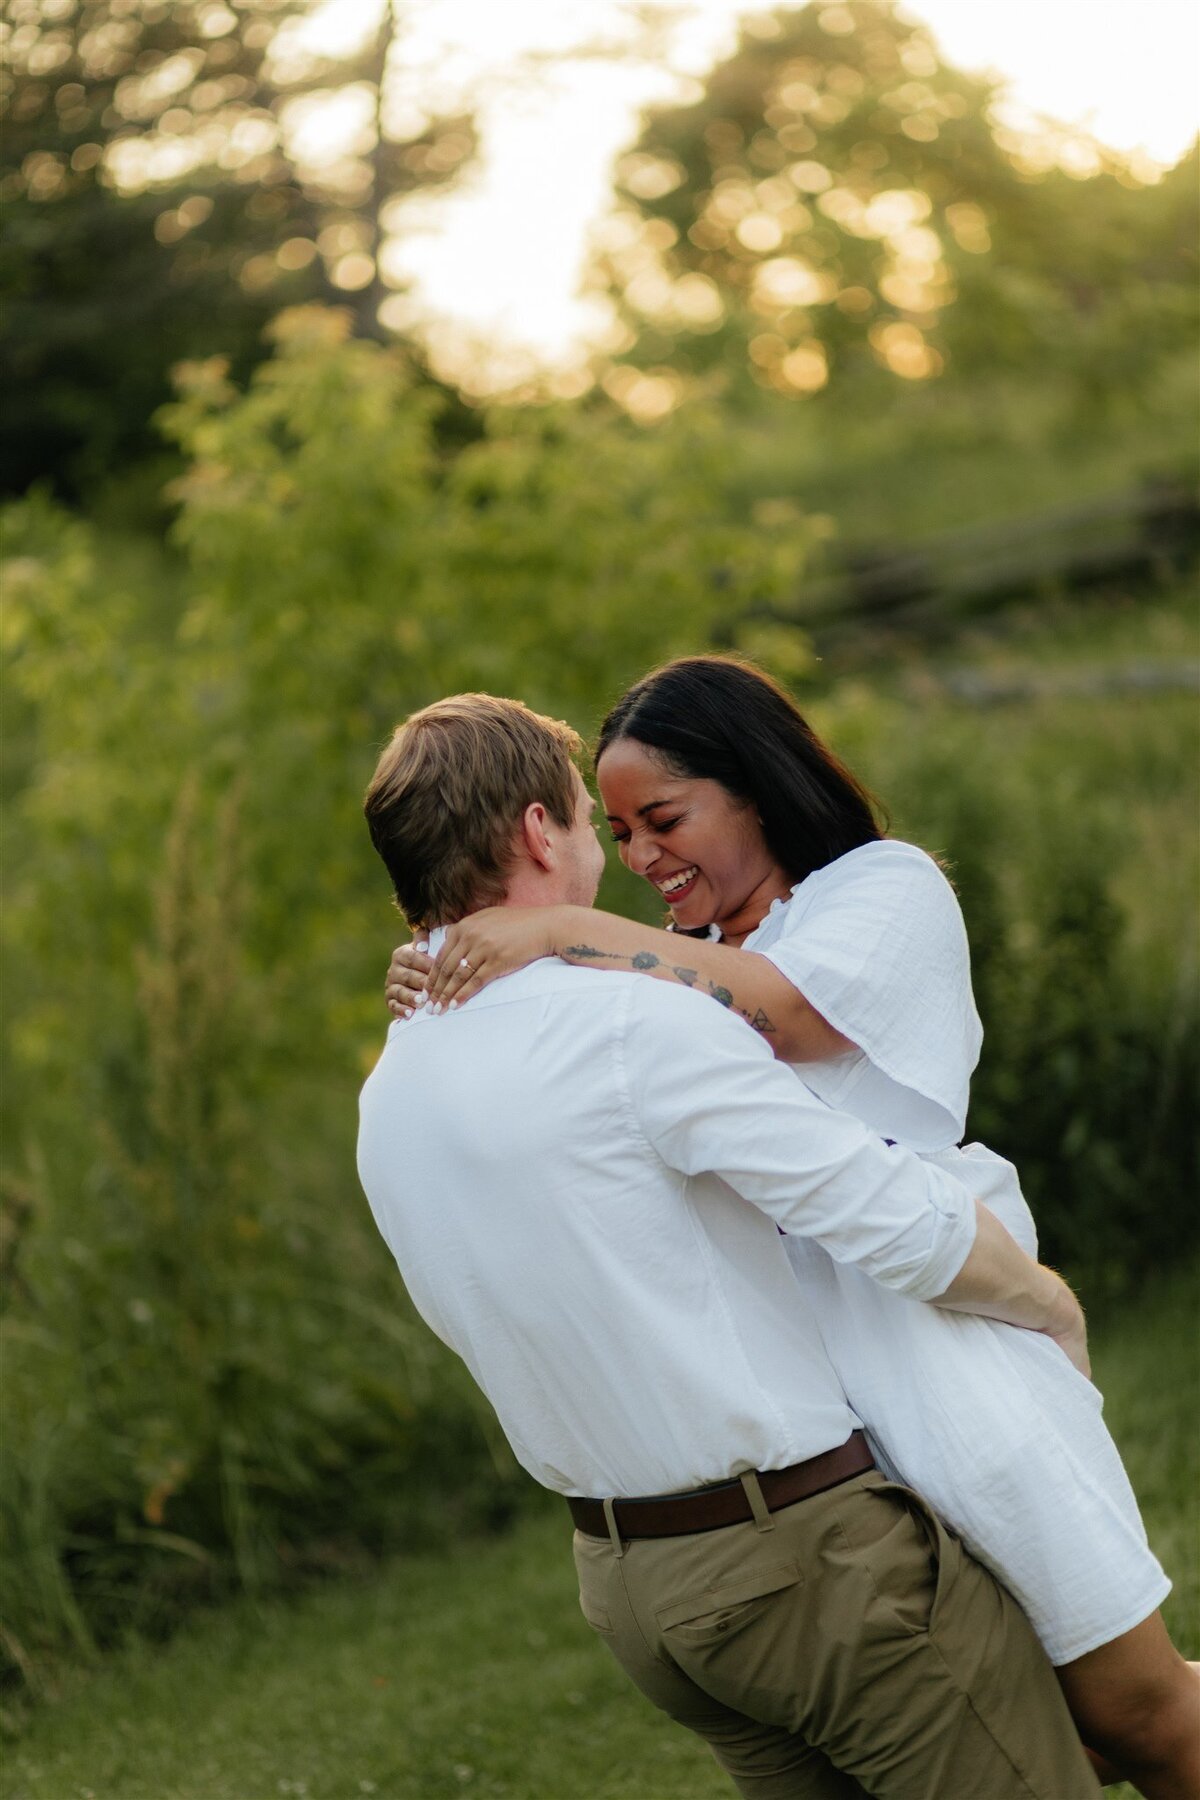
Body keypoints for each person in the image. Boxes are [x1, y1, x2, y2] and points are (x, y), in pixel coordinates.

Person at [385, 659, 1198, 1798]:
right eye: (615, 832)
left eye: (664, 819)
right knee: (1035, 1720)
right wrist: (473, 963)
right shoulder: (655, 965)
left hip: (945, 1342)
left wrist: (562, 927)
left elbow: (788, 1015)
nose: (640, 857)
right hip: (821, 1402)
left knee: (1135, 1716)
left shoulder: (880, 888)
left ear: (755, 789)